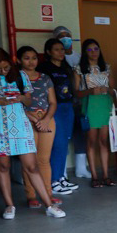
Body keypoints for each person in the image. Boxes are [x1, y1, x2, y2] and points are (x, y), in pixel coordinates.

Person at [0, 48, 65, 219]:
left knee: (32, 165)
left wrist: (20, 98)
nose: (3, 71)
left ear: (11, 63)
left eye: (5, 68)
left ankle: (49, 205)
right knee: (3, 166)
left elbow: (29, 99)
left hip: (20, 124)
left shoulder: (20, 76)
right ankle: (9, 205)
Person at [17, 46, 61, 208]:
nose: (31, 61)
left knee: (43, 159)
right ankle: (31, 195)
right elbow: (14, 103)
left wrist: (45, 119)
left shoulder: (45, 78)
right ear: (19, 60)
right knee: (30, 162)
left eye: (34, 58)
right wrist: (33, 119)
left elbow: (53, 102)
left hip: (46, 120)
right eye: (27, 58)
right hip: (25, 121)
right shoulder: (16, 79)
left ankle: (48, 194)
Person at [38, 38, 78, 196]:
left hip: (68, 107)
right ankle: (53, 181)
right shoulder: (44, 69)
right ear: (48, 52)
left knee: (65, 143)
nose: (61, 52)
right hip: (54, 108)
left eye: (62, 49)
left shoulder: (66, 67)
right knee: (58, 143)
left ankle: (61, 177)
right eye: (56, 49)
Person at [75, 39, 115, 188]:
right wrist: (90, 91)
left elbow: (113, 89)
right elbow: (76, 93)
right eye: (89, 49)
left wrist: (107, 90)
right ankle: (94, 176)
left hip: (104, 105)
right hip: (89, 105)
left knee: (104, 142)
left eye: (96, 49)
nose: (93, 52)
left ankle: (106, 174)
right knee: (91, 141)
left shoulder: (107, 67)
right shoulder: (79, 69)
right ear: (85, 52)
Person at [52, 25, 90, 179]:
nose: (65, 39)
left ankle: (81, 168)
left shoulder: (79, 57)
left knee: (80, 134)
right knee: (62, 137)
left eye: (67, 35)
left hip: (79, 101)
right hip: (62, 103)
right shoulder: (56, 60)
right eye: (61, 36)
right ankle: (61, 172)